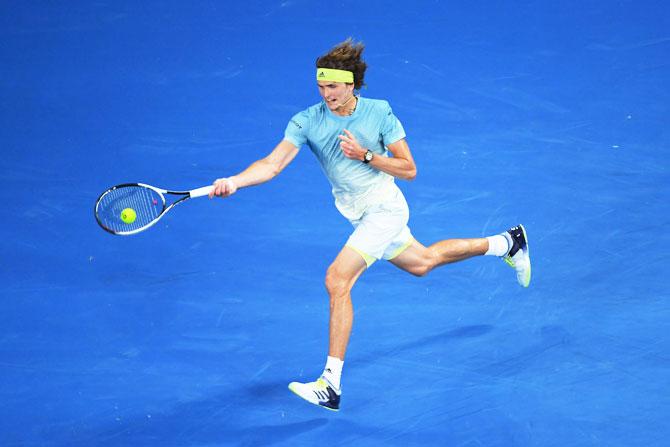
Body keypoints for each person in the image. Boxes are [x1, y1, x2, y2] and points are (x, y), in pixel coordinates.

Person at [208, 38, 531, 411]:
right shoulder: (306, 121)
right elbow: (272, 163)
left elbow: (409, 169)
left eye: (332, 86)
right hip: (359, 213)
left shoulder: (380, 113)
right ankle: (508, 243)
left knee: (336, 279)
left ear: (351, 84)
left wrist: (365, 155)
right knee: (423, 263)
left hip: (385, 209)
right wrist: (235, 180)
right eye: (320, 86)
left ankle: (330, 384)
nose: (325, 93)